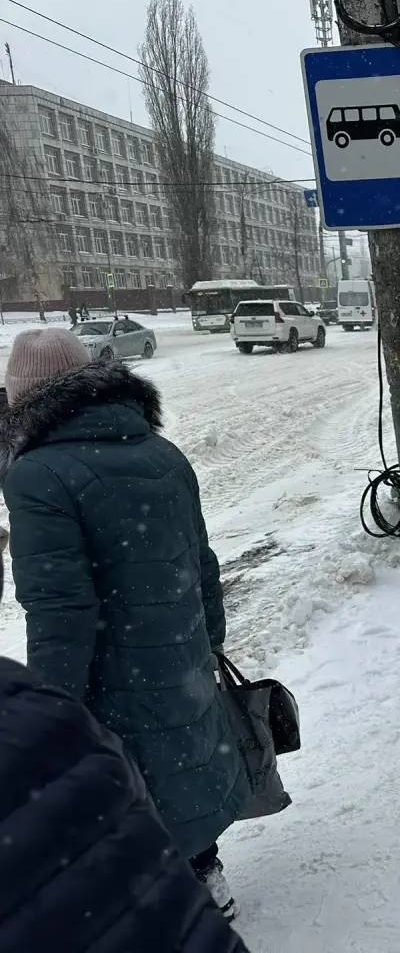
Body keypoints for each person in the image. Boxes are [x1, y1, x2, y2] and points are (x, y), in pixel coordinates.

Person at [1, 328, 249, 919]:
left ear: (23, 396)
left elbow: (59, 608)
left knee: (119, 775)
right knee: (179, 761)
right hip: (176, 650)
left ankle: (151, 901)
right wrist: (207, 641)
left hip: (110, 666)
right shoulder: (162, 453)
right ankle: (205, 873)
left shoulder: (37, 475)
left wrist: (52, 705)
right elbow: (202, 562)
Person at [0, 655, 252, 951]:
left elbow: (61, 629)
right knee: (175, 782)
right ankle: (205, 867)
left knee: (157, 792)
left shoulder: (27, 705)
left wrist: (60, 700)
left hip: (125, 688)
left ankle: (202, 868)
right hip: (171, 669)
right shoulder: (21, 694)